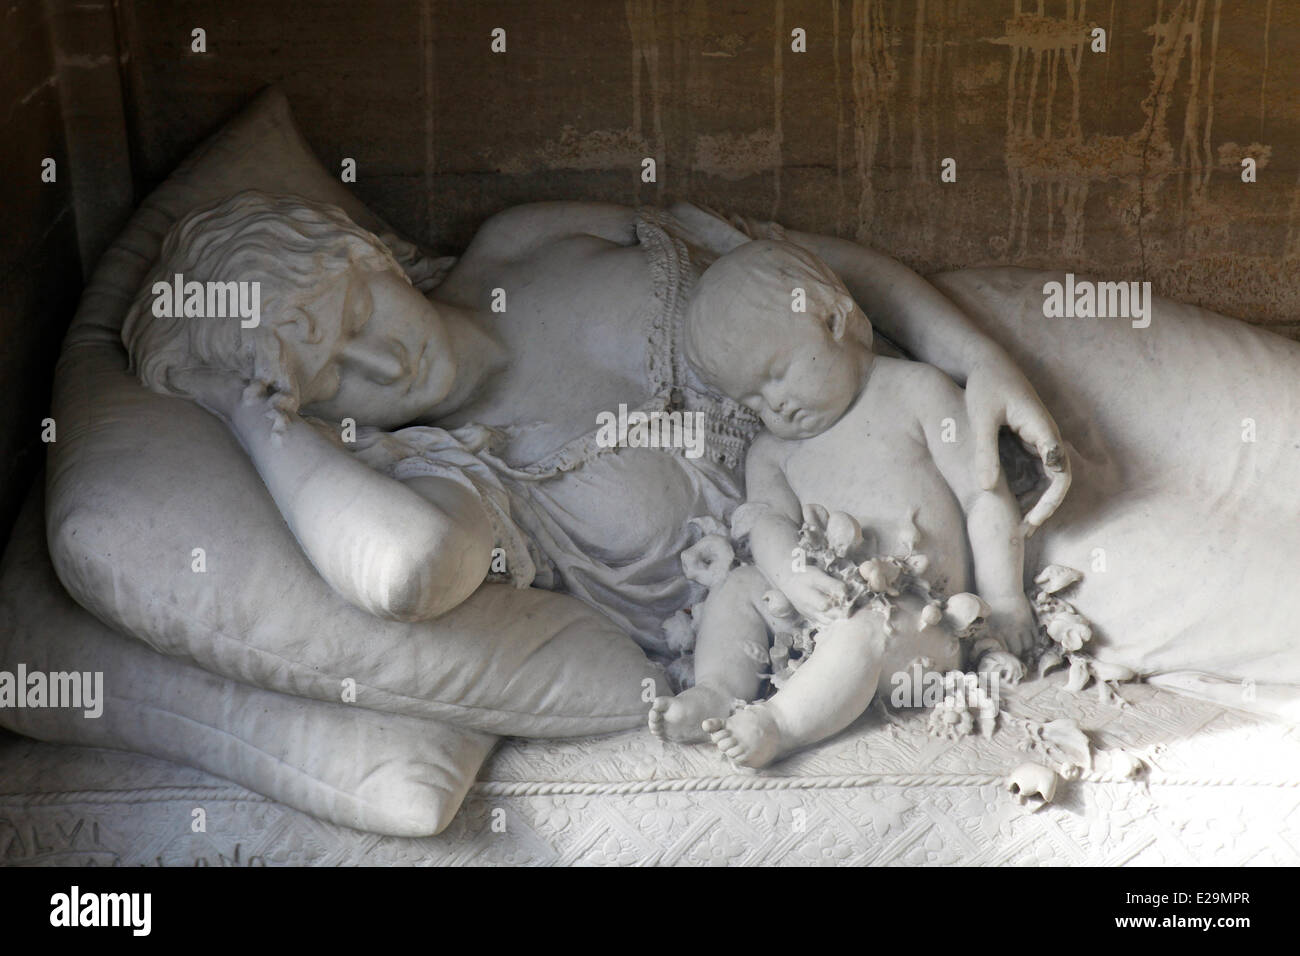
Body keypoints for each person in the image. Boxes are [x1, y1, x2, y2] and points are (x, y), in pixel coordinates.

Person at [121, 191, 1069, 663]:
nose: (385, 364)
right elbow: (405, 571)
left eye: (358, 316)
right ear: (314, 414)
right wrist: (251, 418)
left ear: (364, 252)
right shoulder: (454, 474)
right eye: (330, 376)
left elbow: (799, 268)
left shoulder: (521, 242)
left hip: (948, 405)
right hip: (898, 617)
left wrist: (981, 359)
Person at [649, 239, 1030, 759]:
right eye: (752, 399)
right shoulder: (772, 452)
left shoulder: (918, 393)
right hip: (810, 622)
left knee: (866, 628)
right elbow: (767, 525)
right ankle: (718, 689)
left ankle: (780, 724)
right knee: (739, 588)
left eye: (777, 374)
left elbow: (984, 497)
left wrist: (1006, 601)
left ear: (832, 320)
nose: (774, 403)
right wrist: (789, 574)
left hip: (917, 627)